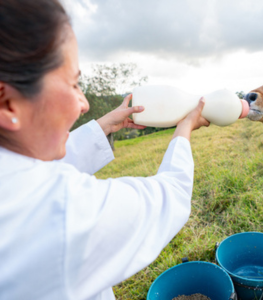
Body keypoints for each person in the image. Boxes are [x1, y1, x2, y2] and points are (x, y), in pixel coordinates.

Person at [0, 0, 210, 299]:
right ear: (7, 104)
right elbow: (170, 198)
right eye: (73, 84)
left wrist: (105, 125)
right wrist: (184, 130)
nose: (83, 103)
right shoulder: (58, 212)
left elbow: (38, 165)